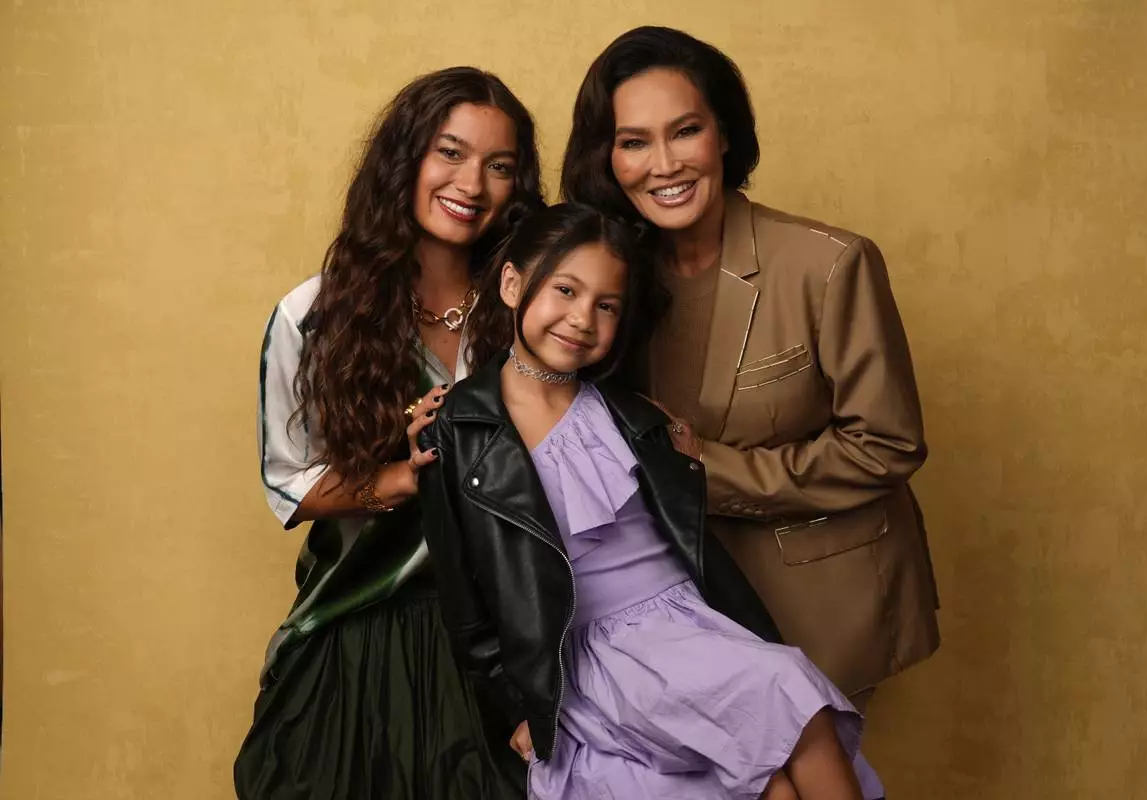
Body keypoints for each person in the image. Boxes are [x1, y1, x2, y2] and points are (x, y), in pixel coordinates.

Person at [561, 28, 940, 794]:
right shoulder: (611, 280)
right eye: (634, 142)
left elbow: (887, 445)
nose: (663, 165)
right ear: (608, 159)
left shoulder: (829, 265)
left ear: (725, 132)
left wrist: (706, 470)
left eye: (686, 131)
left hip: (820, 600)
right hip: (677, 614)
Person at [418, 202, 873, 799]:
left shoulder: (630, 415)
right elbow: (463, 596)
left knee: (785, 748)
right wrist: (517, 705)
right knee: (787, 707)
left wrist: (687, 456)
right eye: (565, 290)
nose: (582, 318)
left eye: (605, 306)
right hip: (598, 649)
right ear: (511, 284)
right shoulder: (460, 428)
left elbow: (689, 537)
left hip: (690, 622)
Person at [235, 66, 542, 800]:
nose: (473, 183)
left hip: (499, 635)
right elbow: (291, 480)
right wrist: (401, 479)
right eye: (451, 152)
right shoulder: (313, 316)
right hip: (358, 623)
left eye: (500, 167)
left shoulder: (533, 312)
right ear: (405, 159)